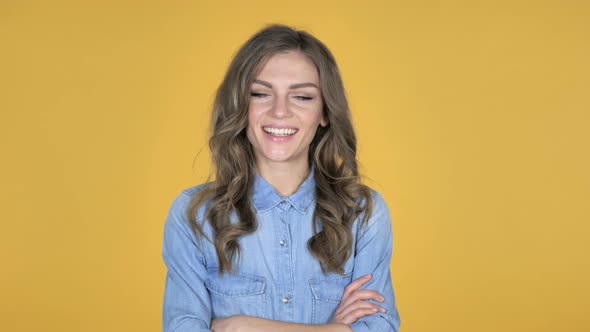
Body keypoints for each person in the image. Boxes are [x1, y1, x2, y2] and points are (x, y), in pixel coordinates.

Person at [162, 24, 401, 332]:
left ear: (325, 112)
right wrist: (336, 329)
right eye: (260, 93)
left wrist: (244, 326)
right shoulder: (193, 216)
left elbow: (379, 328)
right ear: (240, 105)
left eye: (302, 97)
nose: (279, 111)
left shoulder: (363, 213)